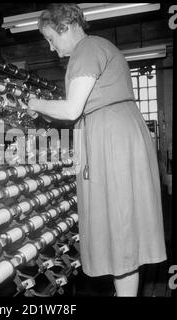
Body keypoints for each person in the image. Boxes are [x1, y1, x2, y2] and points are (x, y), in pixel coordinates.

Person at [27, 3, 167, 296]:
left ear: (64, 26)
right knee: (123, 230)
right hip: (114, 135)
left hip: (112, 141)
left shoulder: (87, 49)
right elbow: (79, 109)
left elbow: (72, 108)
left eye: (51, 39)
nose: (51, 49)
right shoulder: (98, 47)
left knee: (120, 225)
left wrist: (33, 102)